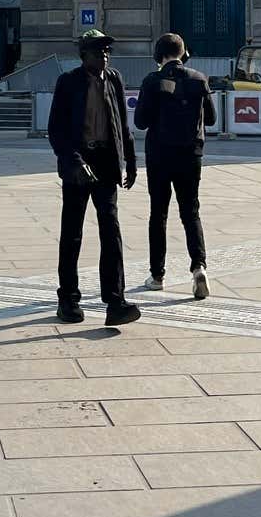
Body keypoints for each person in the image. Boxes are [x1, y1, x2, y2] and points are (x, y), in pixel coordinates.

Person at [48, 29, 142, 326]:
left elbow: (122, 123)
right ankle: (68, 299)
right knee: (73, 232)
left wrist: (131, 160)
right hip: (78, 162)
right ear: (83, 55)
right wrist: (74, 161)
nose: (103, 55)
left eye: (106, 51)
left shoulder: (113, 79)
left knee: (111, 230)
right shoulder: (68, 83)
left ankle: (115, 301)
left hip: (106, 162)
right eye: (97, 51)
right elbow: (56, 131)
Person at [133, 33, 215, 298]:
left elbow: (141, 122)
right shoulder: (199, 79)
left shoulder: (152, 81)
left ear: (159, 55)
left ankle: (157, 275)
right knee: (191, 212)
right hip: (191, 155)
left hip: (159, 156)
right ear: (184, 54)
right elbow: (211, 119)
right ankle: (198, 267)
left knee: (159, 215)